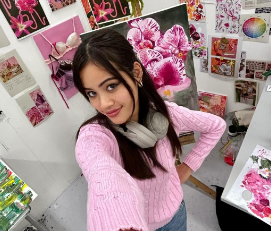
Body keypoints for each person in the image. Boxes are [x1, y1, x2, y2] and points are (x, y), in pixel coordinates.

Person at [72, 29, 226, 231]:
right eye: (92, 93)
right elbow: (102, 176)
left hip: (174, 217)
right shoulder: (95, 136)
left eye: (111, 86)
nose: (103, 104)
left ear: (136, 73)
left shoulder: (168, 115)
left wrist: (188, 166)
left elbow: (216, 126)